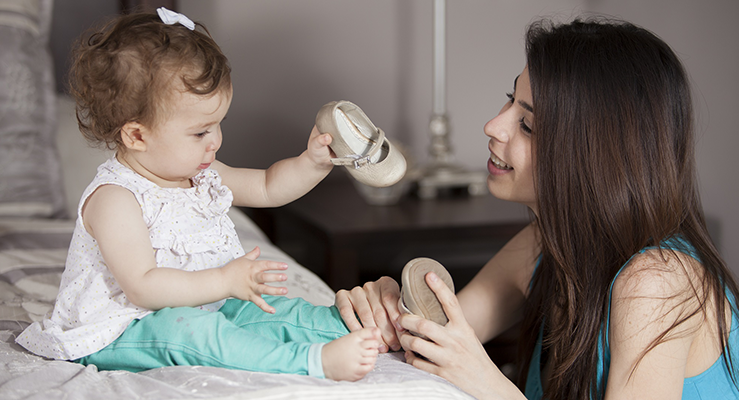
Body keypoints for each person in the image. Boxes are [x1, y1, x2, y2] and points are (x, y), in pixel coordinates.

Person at [335, 17, 739, 399]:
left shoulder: (657, 283)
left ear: (594, 158)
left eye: (528, 125)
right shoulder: (542, 245)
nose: (493, 126)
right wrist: (393, 308)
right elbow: (432, 338)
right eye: (511, 99)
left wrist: (488, 382)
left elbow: (469, 366)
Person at [15, 8, 381, 382]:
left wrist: (313, 163)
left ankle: (358, 328)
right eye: (200, 132)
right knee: (193, 332)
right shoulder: (115, 199)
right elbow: (143, 286)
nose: (216, 141)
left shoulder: (201, 175)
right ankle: (311, 361)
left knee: (273, 310)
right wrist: (225, 280)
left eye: (218, 124)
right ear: (136, 135)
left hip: (208, 301)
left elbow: (269, 187)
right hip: (127, 327)